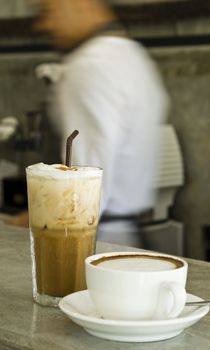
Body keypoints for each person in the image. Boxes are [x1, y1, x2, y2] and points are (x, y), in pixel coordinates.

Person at [8, 0, 169, 247]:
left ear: (82, 5)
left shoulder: (89, 66)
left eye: (48, 12)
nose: (44, 25)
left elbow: (85, 186)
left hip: (92, 240)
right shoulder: (131, 54)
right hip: (123, 233)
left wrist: (31, 221)